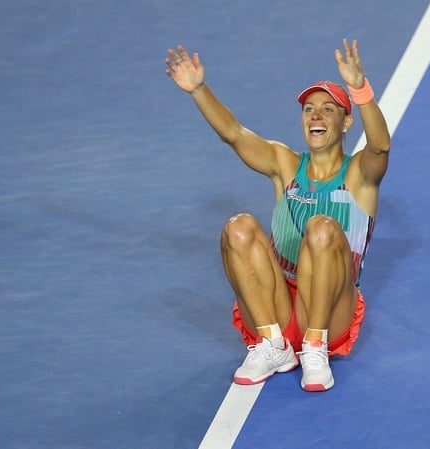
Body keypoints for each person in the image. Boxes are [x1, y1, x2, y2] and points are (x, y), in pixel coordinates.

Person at [165, 39, 391, 392]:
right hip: (280, 305)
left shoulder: (360, 174)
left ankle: (314, 346)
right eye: (308, 109)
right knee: (237, 228)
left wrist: (359, 89)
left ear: (347, 123)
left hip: (332, 310)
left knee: (322, 228)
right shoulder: (284, 163)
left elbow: (380, 146)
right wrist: (198, 90)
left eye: (328, 110)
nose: (315, 115)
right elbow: (234, 135)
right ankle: (273, 345)